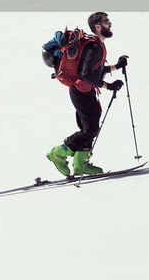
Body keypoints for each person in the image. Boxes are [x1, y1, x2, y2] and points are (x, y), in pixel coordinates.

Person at [43, 11, 128, 176]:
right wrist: (108, 86)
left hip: (85, 91)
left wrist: (117, 66)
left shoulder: (96, 45)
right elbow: (86, 74)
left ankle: (80, 164)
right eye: (106, 21)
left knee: (89, 128)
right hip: (80, 92)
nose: (110, 24)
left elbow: (96, 70)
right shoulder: (94, 46)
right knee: (89, 130)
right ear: (97, 27)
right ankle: (57, 154)